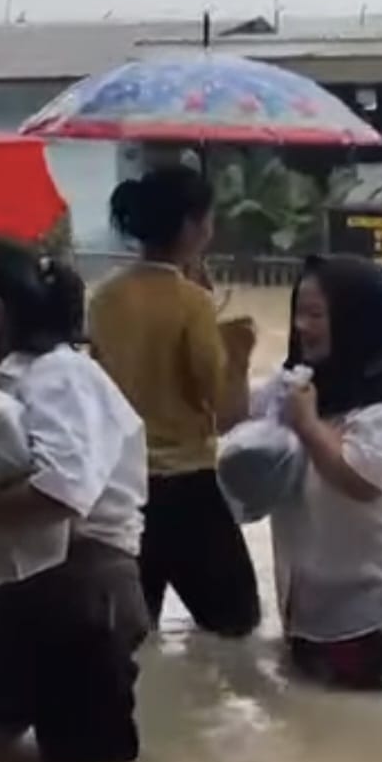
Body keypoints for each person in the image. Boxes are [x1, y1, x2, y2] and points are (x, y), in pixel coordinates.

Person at [0, 239, 148, 762]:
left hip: (82, 592)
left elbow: (62, 491)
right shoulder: (1, 384)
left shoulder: (57, 375)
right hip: (29, 586)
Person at [89, 166, 260, 636]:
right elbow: (227, 414)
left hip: (118, 488)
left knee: (134, 637)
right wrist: (240, 355)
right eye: (208, 218)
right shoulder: (192, 304)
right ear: (191, 226)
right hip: (187, 490)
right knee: (237, 626)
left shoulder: (102, 298)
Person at [252, 255, 382, 689]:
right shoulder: (300, 383)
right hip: (308, 588)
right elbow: (228, 419)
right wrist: (231, 356)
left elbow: (363, 482)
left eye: (316, 314)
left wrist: (309, 426)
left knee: (365, 715)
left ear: (356, 319)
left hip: (371, 589)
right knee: (315, 712)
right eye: (298, 312)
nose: (301, 326)